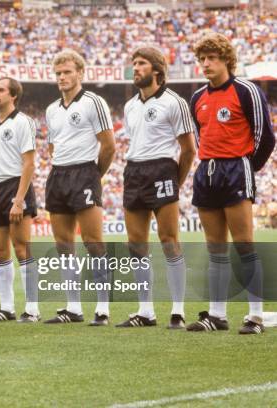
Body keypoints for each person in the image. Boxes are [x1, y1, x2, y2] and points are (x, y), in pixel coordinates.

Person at [187, 32, 275, 334]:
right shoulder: (197, 97)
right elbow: (201, 138)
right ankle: (216, 315)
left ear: (226, 59)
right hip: (206, 172)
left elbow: (266, 138)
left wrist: (246, 168)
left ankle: (255, 316)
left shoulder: (246, 90)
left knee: (244, 245)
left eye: (212, 58)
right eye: (202, 59)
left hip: (236, 169)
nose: (206, 64)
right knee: (215, 248)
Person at [116, 47, 196, 329]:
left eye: (141, 64)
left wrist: (176, 181)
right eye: (133, 63)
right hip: (134, 170)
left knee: (169, 239)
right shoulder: (130, 106)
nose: (135, 68)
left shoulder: (174, 102)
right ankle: (145, 311)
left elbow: (188, 150)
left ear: (157, 71)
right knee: (136, 243)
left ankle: (177, 310)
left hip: (162, 168)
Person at [44, 50, 116, 326]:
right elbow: (52, 145)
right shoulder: (51, 109)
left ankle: (103, 308)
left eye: (67, 72)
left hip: (85, 172)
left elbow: (108, 145)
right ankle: (73, 308)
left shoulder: (93, 102)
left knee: (93, 242)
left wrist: (94, 175)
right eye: (59, 73)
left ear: (80, 73)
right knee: (64, 245)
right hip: (58, 174)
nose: (62, 77)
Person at [0, 77, 40, 323]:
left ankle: (32, 309)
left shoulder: (24, 122)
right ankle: (6, 308)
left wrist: (18, 200)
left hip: (15, 187)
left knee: (22, 248)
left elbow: (29, 163)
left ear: (13, 95)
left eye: (1, 90)